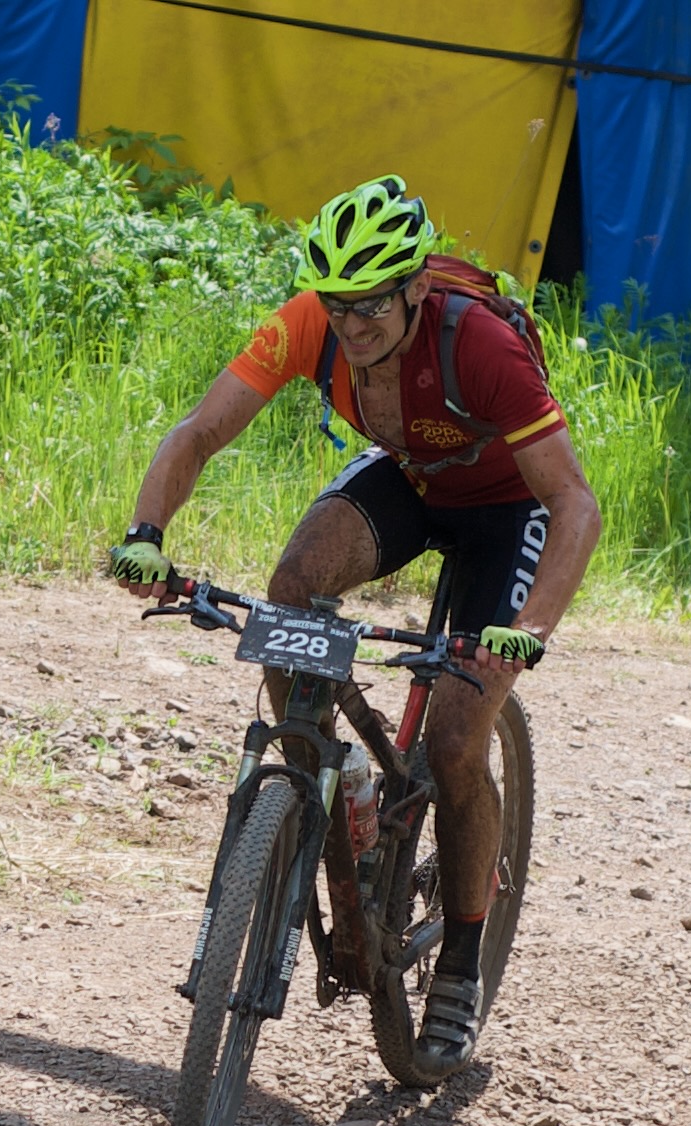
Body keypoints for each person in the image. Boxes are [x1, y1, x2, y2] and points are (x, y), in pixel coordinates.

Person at [106, 175, 601, 1076]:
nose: (352, 324)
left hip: (506, 510)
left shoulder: (481, 347)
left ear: (415, 287)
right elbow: (202, 431)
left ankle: (458, 958)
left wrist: (528, 628)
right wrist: (147, 534)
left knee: (455, 739)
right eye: (338, 304)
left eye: (371, 303)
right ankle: (319, 789)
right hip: (410, 480)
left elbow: (573, 502)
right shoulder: (310, 324)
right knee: (290, 589)